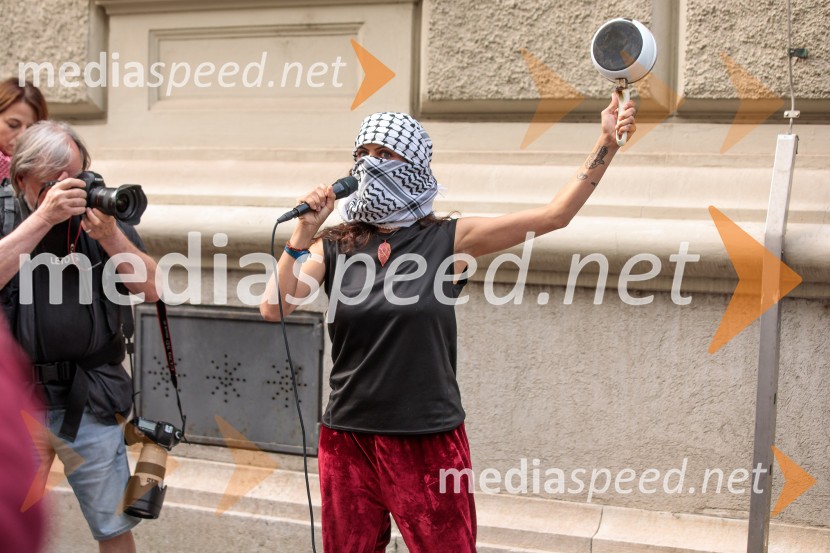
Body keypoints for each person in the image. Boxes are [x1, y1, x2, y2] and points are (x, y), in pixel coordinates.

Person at [261, 95, 636, 552]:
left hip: (426, 439)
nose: (370, 164)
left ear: (414, 163)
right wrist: (303, 231)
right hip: (347, 439)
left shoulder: (447, 241)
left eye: (385, 153)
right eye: (363, 153)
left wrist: (606, 143)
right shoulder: (335, 245)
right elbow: (275, 308)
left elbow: (555, 216)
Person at [0, 120, 160, 553]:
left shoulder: (98, 213)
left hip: (91, 397)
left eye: (76, 176)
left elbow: (151, 288)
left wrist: (111, 236)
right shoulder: (5, 215)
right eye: (53, 183)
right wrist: (43, 218)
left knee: (113, 528)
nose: (70, 190)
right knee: (7, 529)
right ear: (21, 179)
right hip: (17, 403)